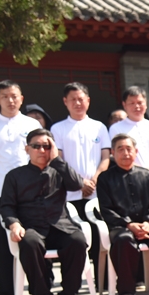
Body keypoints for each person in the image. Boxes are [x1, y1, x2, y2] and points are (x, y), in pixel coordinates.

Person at [0, 129, 88, 295]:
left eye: (46, 146)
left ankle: (68, 293)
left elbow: (77, 185)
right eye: (36, 146)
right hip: (32, 227)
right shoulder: (14, 176)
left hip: (60, 225)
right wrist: (14, 223)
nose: (41, 150)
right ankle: (43, 294)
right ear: (27, 149)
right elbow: (7, 206)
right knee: (30, 243)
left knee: (77, 240)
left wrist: (57, 160)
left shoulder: (59, 170)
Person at [0, 80, 42, 295]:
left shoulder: (31, 125)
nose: (10, 100)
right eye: (5, 96)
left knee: (34, 239)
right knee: (3, 243)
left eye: (14, 96)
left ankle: (38, 287)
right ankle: (6, 291)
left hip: (31, 192)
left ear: (21, 98)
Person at [97, 134, 149, 295]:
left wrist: (148, 223)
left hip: (148, 224)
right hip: (121, 226)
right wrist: (129, 225)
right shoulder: (105, 178)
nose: (126, 153)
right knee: (123, 240)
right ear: (113, 152)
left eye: (129, 149)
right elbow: (106, 209)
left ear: (136, 152)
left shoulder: (147, 175)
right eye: (121, 149)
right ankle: (127, 289)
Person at [52, 82, 111, 283]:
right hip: (70, 194)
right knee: (75, 240)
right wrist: (79, 183)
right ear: (65, 102)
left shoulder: (99, 127)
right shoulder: (58, 129)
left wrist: (93, 180)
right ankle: (74, 282)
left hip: (95, 193)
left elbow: (105, 158)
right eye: (73, 99)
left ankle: (101, 282)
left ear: (88, 101)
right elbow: (58, 161)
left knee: (98, 239)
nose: (78, 103)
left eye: (81, 99)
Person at [108, 86, 149, 198]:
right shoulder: (116, 128)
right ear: (124, 105)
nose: (137, 106)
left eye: (140, 102)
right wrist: (145, 172)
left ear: (146, 104)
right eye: (132, 103)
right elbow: (116, 155)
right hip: (129, 184)